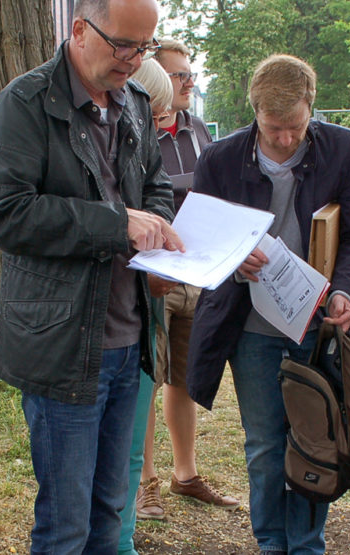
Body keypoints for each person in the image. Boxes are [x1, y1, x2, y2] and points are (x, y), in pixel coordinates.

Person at [0, 0, 183, 554]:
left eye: (144, 47)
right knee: (65, 527)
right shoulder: (24, 104)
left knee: (108, 517)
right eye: (124, 45)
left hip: (129, 341)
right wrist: (116, 225)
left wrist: (156, 237)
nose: (134, 60)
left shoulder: (135, 102)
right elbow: (4, 214)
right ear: (79, 29)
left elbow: (155, 185)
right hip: (64, 349)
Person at [186, 54, 350, 554]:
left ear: (312, 105)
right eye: (274, 129)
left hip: (316, 324)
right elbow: (201, 240)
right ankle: (271, 544)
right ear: (254, 111)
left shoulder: (342, 149)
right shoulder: (220, 159)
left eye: (296, 126)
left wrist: (344, 290)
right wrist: (234, 258)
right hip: (251, 329)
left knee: (316, 437)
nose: (287, 138)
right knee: (266, 444)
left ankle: (307, 545)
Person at [134, 40, 239, 521]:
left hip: (197, 273)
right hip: (154, 275)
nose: (189, 83)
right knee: (148, 380)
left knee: (184, 376)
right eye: (179, 76)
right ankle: (145, 483)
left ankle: (186, 475)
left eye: (190, 74)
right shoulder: (136, 127)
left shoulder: (197, 129)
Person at [116, 57, 174, 555]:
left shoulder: (143, 158)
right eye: (153, 118)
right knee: (110, 454)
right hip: (107, 325)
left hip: (142, 318)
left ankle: (123, 542)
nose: (157, 129)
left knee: (132, 448)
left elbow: (158, 198)